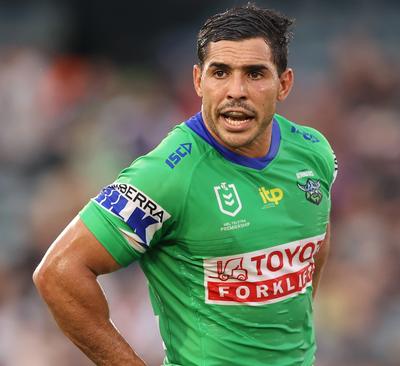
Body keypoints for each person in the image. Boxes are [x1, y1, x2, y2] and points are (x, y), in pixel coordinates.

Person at [33, 4, 337, 366]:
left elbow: (313, 243)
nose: (235, 90)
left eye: (255, 74)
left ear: (283, 83)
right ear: (198, 81)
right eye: (220, 72)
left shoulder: (313, 152)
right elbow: (58, 274)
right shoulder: (167, 175)